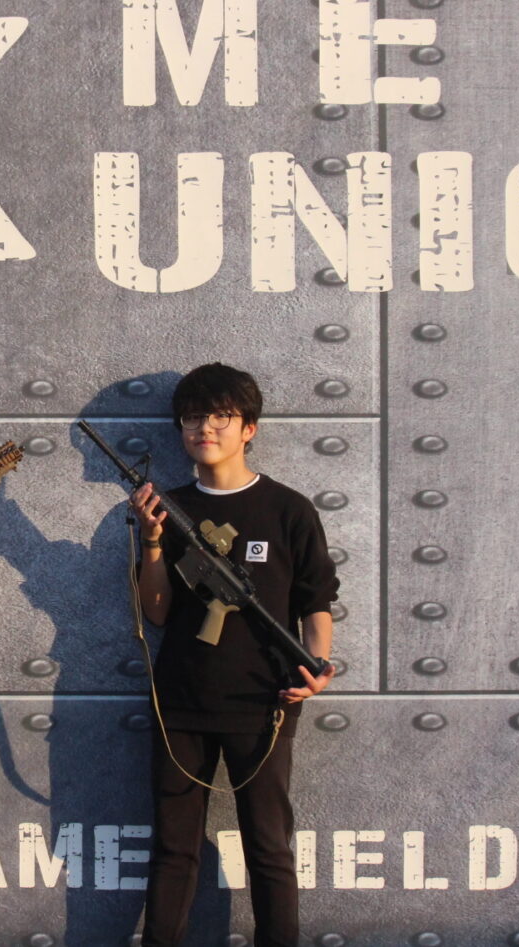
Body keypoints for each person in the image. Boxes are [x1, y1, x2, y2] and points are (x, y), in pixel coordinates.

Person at [129, 363, 338, 947]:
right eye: (193, 417)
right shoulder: (166, 508)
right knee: (174, 850)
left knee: (268, 847)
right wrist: (151, 540)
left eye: (221, 416)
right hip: (181, 701)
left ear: (249, 428)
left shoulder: (288, 509)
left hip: (265, 699)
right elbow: (157, 612)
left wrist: (317, 667)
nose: (205, 428)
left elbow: (316, 601)